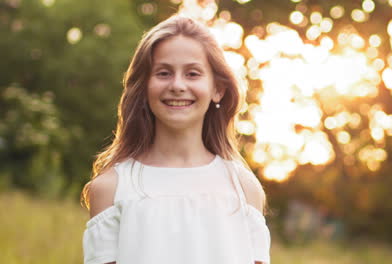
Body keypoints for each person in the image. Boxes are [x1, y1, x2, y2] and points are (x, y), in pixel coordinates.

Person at [80, 15, 271, 264]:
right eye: (163, 73)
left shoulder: (243, 188)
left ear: (217, 89)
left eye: (192, 74)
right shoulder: (112, 188)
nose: (178, 85)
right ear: (144, 87)